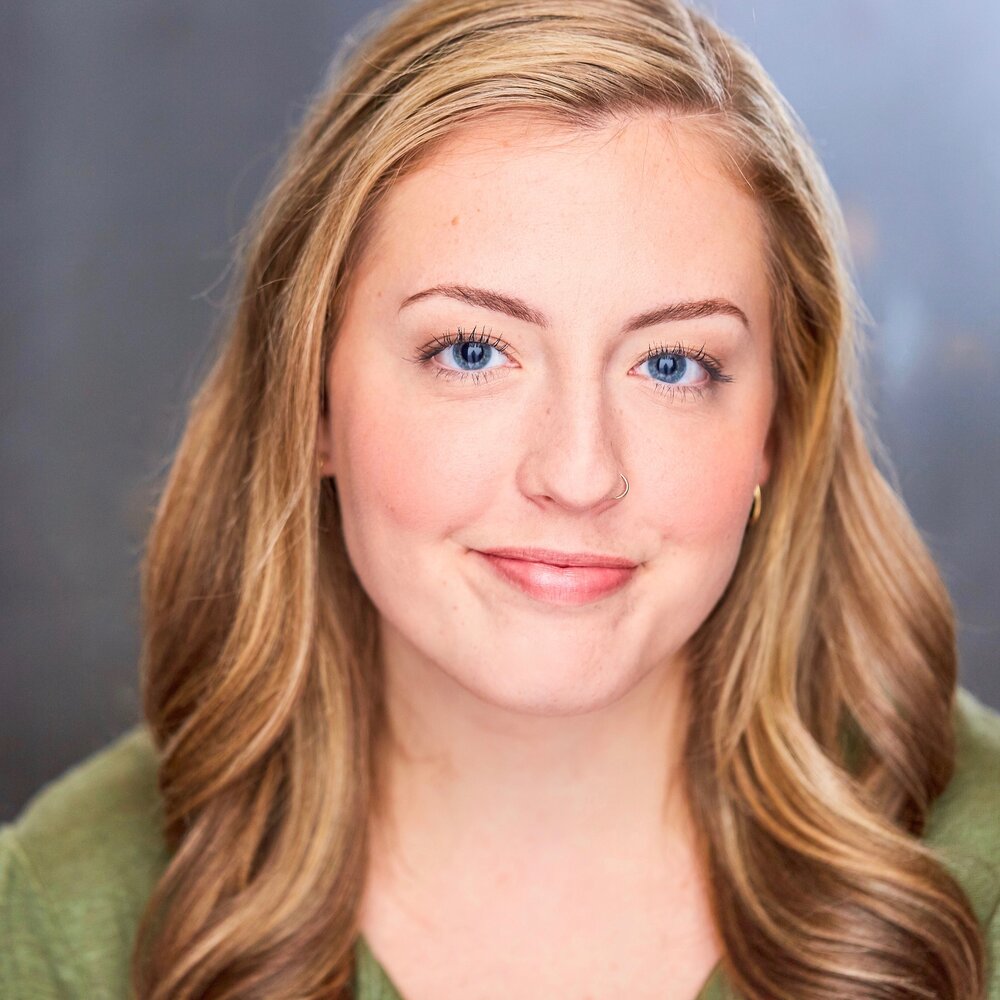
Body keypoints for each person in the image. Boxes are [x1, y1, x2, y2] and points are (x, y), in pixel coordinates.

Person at [2, 0, 998, 997]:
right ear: (310, 400)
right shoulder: (60, 915)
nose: (575, 473)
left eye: (671, 364)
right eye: (470, 351)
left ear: (778, 427)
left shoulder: (976, 874)